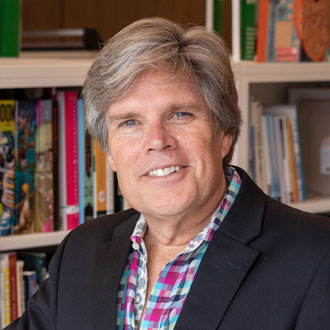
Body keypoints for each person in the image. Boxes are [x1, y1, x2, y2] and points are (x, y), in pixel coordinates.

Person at [5, 18, 330, 330]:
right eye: (130, 122)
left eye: (180, 114)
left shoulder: (317, 257)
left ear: (224, 134)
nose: (158, 141)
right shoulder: (82, 251)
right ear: (109, 153)